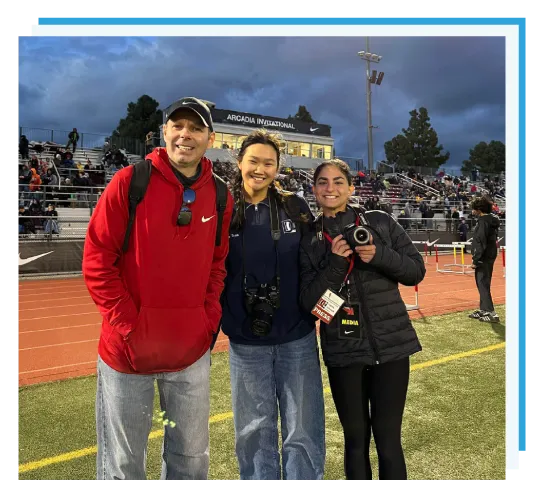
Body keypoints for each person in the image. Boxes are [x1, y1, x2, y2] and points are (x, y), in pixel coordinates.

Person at [82, 96, 234, 480]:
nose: (186, 134)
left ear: (210, 138)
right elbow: (98, 260)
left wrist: (206, 321)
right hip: (127, 352)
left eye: (196, 128)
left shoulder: (220, 194)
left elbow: (218, 264)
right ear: (164, 131)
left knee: (191, 460)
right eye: (178, 125)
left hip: (190, 352)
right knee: (123, 466)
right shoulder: (129, 182)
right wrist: (130, 326)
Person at [298, 159, 426, 480]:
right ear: (314, 189)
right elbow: (308, 302)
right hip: (344, 350)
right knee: (355, 440)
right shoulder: (309, 238)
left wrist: (378, 255)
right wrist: (336, 264)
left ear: (351, 188)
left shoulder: (379, 222)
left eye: (338, 181)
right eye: (323, 182)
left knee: (388, 441)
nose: (331, 188)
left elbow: (415, 270)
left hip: (392, 348)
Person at [219, 129, 326, 480]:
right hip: (246, 342)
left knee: (303, 430)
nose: (261, 169)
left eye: (269, 162)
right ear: (239, 162)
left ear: (279, 167)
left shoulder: (294, 205)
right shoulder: (223, 208)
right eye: (254, 161)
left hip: (297, 337)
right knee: (253, 432)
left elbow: (315, 264)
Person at [468, 195, 501, 323]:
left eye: (474, 208)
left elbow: (480, 242)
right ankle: (483, 310)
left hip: (483, 256)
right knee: (483, 282)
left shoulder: (483, 221)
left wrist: (475, 260)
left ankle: (491, 312)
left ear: (479, 209)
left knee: (482, 283)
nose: (472, 211)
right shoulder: (491, 220)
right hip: (490, 254)